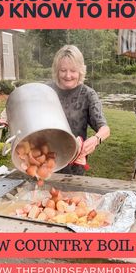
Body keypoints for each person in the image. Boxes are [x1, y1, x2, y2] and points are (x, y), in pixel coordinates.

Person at [49, 44, 110, 175]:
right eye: (63, 70)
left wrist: (96, 139)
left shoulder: (88, 94)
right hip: (45, 162)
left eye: (73, 70)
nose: (68, 75)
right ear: (57, 70)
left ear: (80, 71)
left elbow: (105, 129)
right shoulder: (47, 90)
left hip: (73, 168)